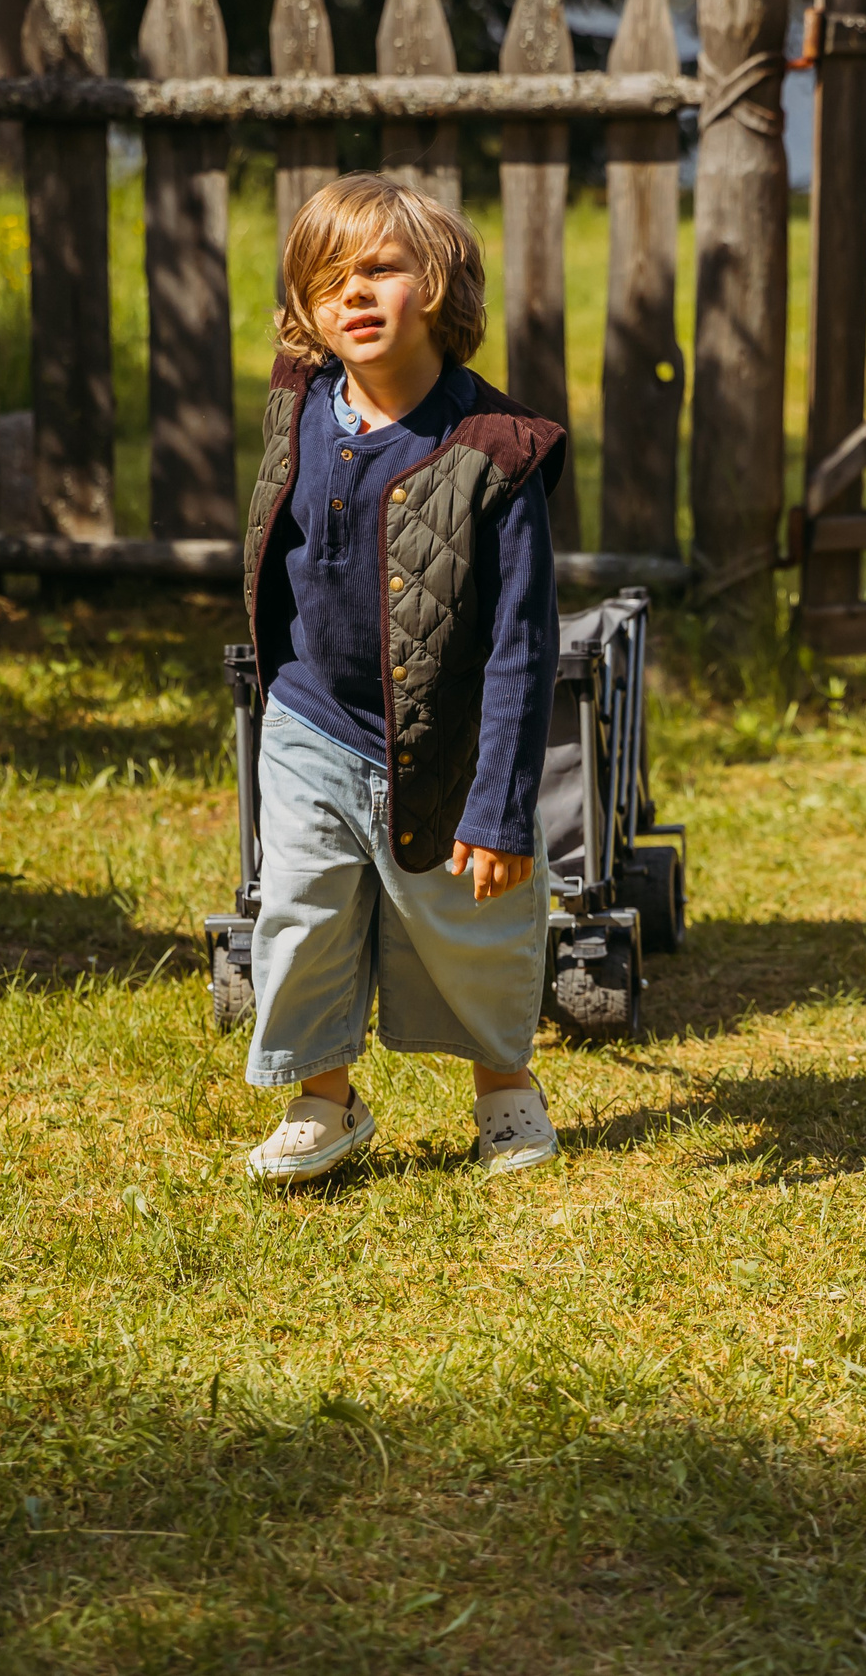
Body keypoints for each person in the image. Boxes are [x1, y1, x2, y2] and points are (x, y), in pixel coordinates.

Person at [234, 174, 565, 1184]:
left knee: (470, 921)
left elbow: (520, 643)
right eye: (329, 281)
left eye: (380, 269)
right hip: (309, 718)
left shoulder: (494, 452)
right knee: (301, 904)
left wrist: (502, 810)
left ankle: (505, 1085)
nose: (355, 295)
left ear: (437, 281)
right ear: (306, 311)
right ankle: (322, 1099)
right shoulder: (298, 411)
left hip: (448, 735)